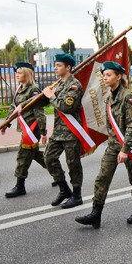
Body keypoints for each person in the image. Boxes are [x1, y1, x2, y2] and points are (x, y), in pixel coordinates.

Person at [76, 62, 132, 229]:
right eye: (104, 75)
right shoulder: (110, 97)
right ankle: (96, 213)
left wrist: (125, 149)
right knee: (102, 177)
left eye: (108, 75)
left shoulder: (128, 97)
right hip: (114, 145)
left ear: (118, 76)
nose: (105, 78)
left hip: (128, 147)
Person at [42, 53, 85, 208]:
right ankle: (64, 189)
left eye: (59, 65)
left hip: (71, 131)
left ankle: (77, 195)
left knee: (73, 163)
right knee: (48, 158)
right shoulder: (59, 84)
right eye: (55, 65)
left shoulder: (74, 85)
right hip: (59, 131)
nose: (55, 68)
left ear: (68, 68)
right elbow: (44, 99)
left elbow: (66, 107)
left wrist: (52, 96)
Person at [2, 62, 47, 197]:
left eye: (20, 73)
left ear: (27, 74)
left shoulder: (33, 90)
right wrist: (6, 123)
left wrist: (43, 132)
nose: (17, 75)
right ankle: (57, 173)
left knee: (23, 156)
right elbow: (13, 107)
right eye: (16, 73)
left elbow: (39, 113)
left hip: (32, 130)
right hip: (25, 128)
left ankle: (20, 186)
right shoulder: (19, 89)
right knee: (36, 155)